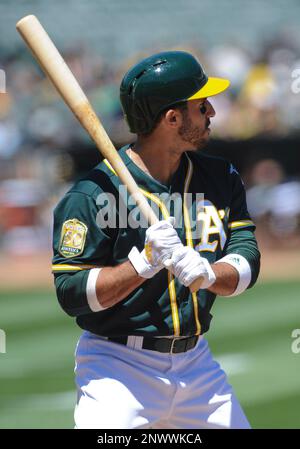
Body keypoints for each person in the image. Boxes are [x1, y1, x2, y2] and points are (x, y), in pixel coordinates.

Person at [52, 50, 260, 429]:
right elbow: (71, 293)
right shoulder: (92, 194)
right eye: (202, 105)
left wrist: (211, 274)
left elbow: (247, 254)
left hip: (197, 364)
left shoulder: (220, 177)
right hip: (118, 369)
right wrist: (142, 264)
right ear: (172, 118)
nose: (212, 111)